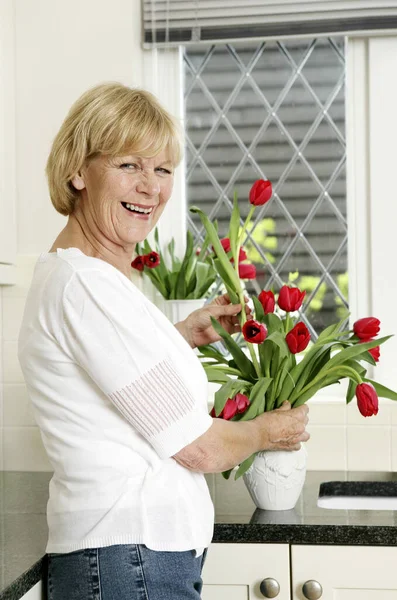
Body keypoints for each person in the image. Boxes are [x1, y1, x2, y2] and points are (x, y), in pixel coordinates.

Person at [18, 82, 309, 600]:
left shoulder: (87, 279)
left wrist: (180, 337)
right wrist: (268, 431)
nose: (151, 187)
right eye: (130, 165)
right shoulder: (87, 285)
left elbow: (109, 381)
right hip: (129, 560)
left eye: (163, 169)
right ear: (78, 170)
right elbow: (198, 449)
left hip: (130, 558)